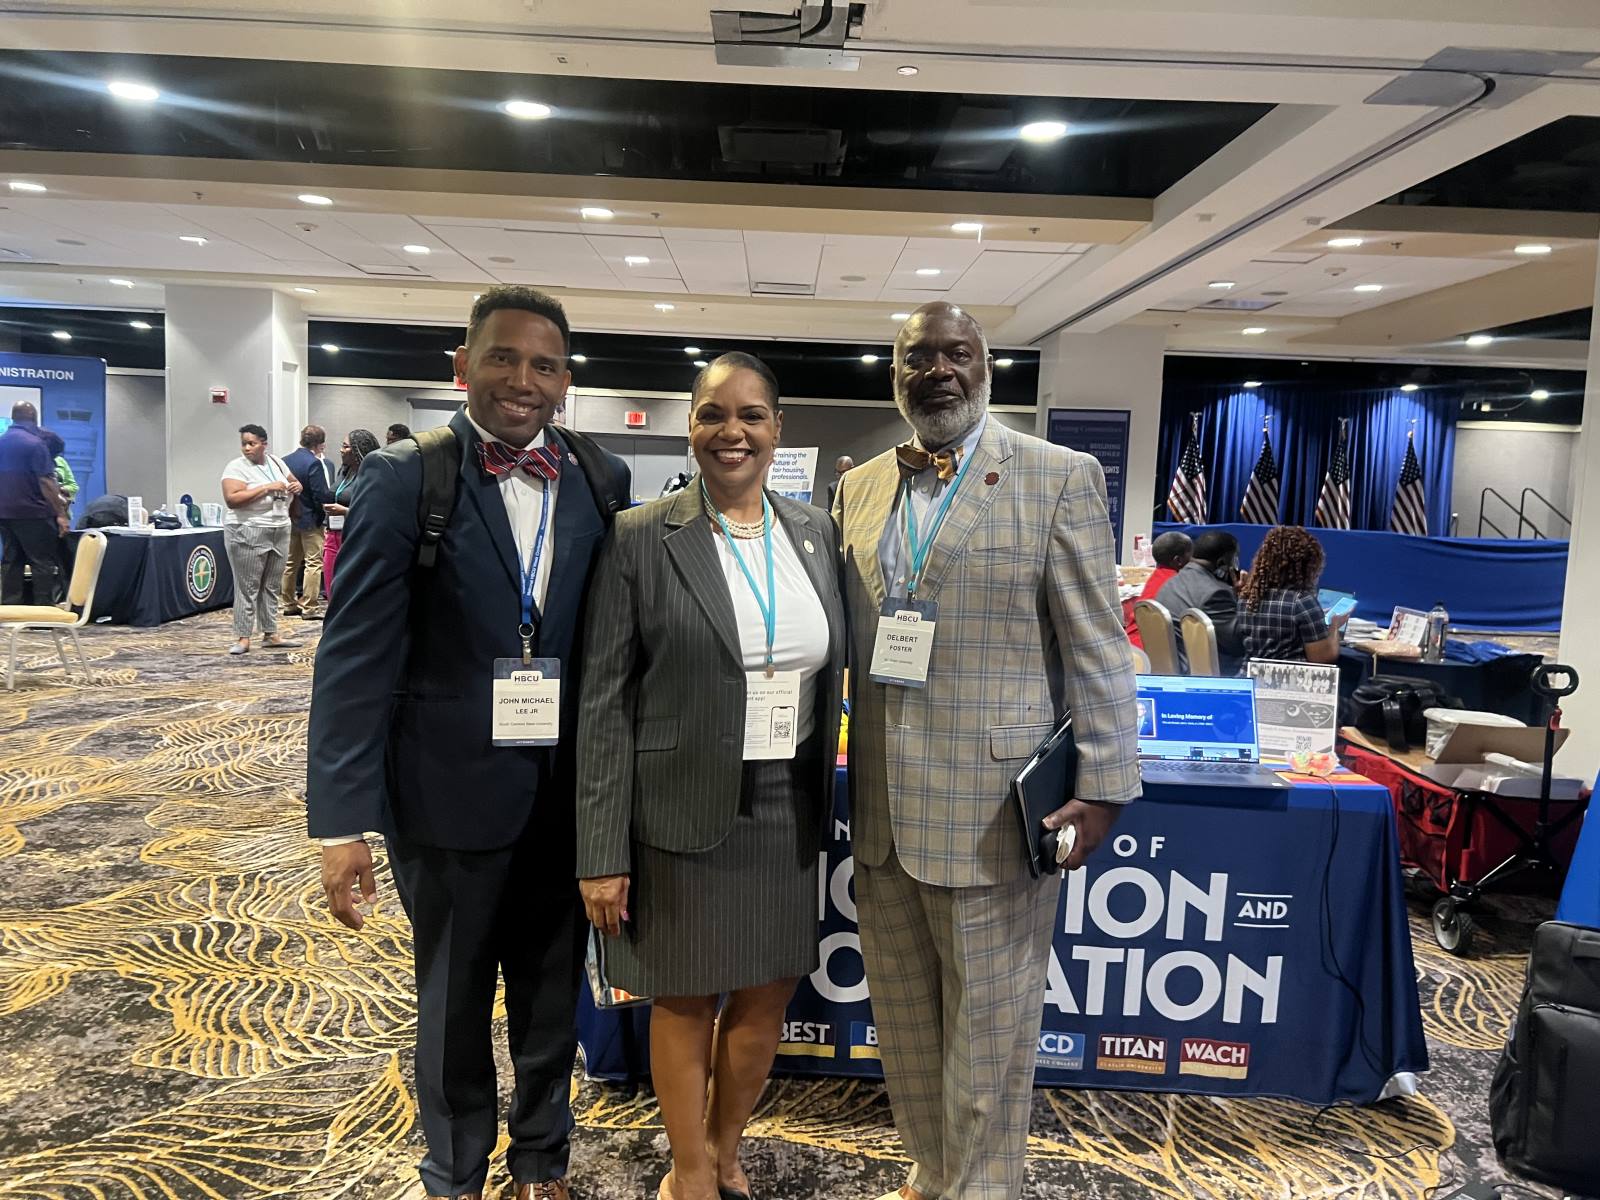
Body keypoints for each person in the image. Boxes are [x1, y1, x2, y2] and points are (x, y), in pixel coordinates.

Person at [307, 286, 630, 1200]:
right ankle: (454, 1170)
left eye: (544, 365)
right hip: (443, 794)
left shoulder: (601, 478)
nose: (523, 381)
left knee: (551, 993)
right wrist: (340, 821)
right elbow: (354, 658)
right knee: (451, 1001)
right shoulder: (409, 477)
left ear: (565, 381)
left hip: (565, 798)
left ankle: (540, 1160)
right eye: (503, 358)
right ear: (463, 367)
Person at [832, 303, 1139, 1200]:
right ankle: (934, 1173)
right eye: (916, 357)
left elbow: (1099, 647)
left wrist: (1105, 786)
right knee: (908, 1030)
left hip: (996, 815)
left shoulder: (1058, 476)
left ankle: (981, 1190)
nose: (937, 371)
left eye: (955, 353)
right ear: (895, 374)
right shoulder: (861, 489)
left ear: (987, 366)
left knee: (990, 1042)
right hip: (883, 817)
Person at [577, 352, 846, 1200]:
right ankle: (689, 1169)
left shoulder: (816, 532)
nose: (733, 432)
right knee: (685, 998)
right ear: (690, 427)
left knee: (768, 994)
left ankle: (727, 1149)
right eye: (713, 414)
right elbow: (603, 703)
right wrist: (600, 851)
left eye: (752, 415)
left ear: (778, 429)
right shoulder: (641, 536)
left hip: (785, 806)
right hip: (678, 807)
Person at [220, 424, 301, 655]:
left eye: (252, 443)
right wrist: (266, 488)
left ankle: (270, 633)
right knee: (247, 586)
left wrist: (297, 486)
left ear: (264, 444)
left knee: (272, 585)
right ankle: (243, 637)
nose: (246, 448)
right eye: (244, 444)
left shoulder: (276, 462)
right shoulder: (236, 467)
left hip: (279, 528)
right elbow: (232, 499)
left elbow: (294, 482)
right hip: (248, 529)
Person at [1238, 525, 1348, 664]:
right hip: (1290, 676)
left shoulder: (1246, 596)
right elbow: (1323, 658)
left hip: (1249, 674)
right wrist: (1335, 626)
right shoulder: (1301, 601)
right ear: (1308, 566)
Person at [0, 402, 69, 605]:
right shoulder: (36, 444)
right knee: (41, 563)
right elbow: (46, 481)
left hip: (5, 513)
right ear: (34, 417)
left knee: (11, 561)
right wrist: (61, 514)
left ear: (13, 418)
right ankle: (43, 610)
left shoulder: (2, 441)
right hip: (34, 513)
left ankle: (9, 610)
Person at [1155, 529, 1247, 674]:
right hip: (1206, 674)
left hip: (1173, 670)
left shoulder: (1169, 584)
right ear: (1222, 563)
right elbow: (1239, 645)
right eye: (1234, 561)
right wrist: (1244, 598)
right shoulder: (1216, 593)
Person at [281, 424, 336, 621]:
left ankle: (288, 603)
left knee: (290, 563)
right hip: (311, 519)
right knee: (313, 563)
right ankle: (309, 606)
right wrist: (326, 508)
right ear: (320, 444)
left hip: (290, 517)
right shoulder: (314, 463)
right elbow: (320, 494)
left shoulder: (285, 461)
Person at [320, 428, 379, 593]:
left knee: (349, 590)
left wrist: (345, 511)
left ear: (359, 450)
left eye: (346, 447)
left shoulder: (372, 475)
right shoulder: (344, 471)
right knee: (330, 587)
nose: (341, 450)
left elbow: (374, 511)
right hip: (333, 534)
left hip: (355, 536)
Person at [1125, 530, 1191, 649]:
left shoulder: (1155, 577)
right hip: (1150, 651)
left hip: (1132, 646)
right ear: (1178, 561)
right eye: (1191, 554)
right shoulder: (1178, 584)